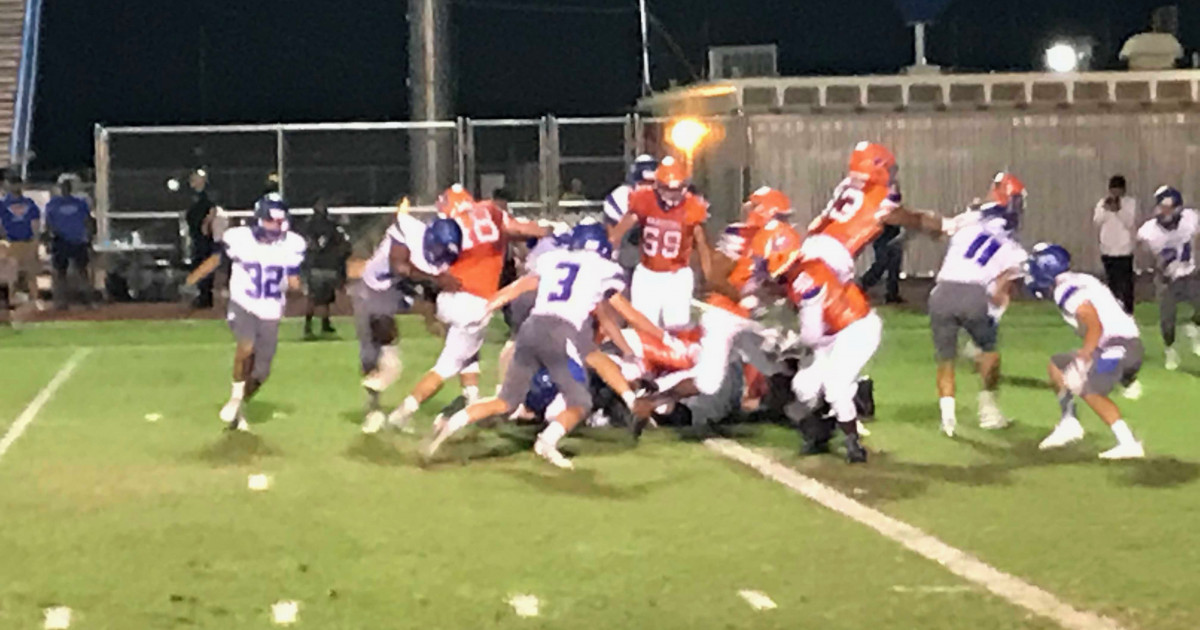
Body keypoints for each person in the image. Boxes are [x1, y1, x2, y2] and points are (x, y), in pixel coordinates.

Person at [421, 221, 649, 469]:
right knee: (581, 401)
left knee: (505, 401)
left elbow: (519, 286)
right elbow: (613, 310)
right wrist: (630, 397)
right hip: (562, 329)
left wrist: (487, 307)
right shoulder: (603, 268)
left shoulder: (553, 259)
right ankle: (546, 442)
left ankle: (446, 429)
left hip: (531, 327)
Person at [388, 185, 548, 431]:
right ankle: (402, 413)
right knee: (446, 366)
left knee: (467, 351)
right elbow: (520, 230)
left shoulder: (450, 224)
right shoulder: (491, 212)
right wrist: (551, 231)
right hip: (474, 303)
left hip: (448, 299)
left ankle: (471, 397)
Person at [757, 220, 877, 463]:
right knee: (804, 387)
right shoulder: (811, 258)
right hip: (831, 334)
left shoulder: (806, 280)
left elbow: (811, 335)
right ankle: (825, 428)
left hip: (855, 329)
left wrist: (787, 345)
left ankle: (853, 443)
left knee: (835, 387)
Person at [184, 193, 307, 431]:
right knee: (246, 346)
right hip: (243, 303)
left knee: (261, 373)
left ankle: (239, 406)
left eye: (280, 221)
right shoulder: (239, 238)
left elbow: (293, 281)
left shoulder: (292, 244)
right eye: (272, 220)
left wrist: (299, 288)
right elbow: (216, 259)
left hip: (271, 310)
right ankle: (234, 397)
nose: (276, 226)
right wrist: (193, 278)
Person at [929, 176, 1028, 437]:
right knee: (990, 352)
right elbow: (1003, 288)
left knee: (945, 360)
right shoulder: (1011, 245)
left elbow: (938, 230)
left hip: (941, 291)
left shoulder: (967, 222)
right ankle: (988, 412)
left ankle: (948, 421)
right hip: (974, 294)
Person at [1026, 243, 1144, 459]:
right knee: (1057, 365)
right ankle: (1069, 422)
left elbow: (1094, 324)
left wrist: (1085, 357)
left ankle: (1128, 443)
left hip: (1119, 345)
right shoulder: (1082, 279)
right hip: (1122, 343)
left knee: (1087, 386)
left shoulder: (1065, 290)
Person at [356, 210, 464, 433]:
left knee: (388, 362)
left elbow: (428, 288)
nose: (441, 258)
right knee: (382, 357)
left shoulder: (439, 260)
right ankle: (374, 409)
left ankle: (385, 408)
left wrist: (431, 316)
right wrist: (435, 279)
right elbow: (399, 265)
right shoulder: (410, 230)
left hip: (399, 289)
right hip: (374, 288)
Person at [804, 142, 947, 284]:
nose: (891, 175)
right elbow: (904, 218)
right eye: (888, 169)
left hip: (811, 246)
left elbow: (814, 225)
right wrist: (941, 225)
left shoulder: (846, 185)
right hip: (835, 257)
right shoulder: (880, 193)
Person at [608, 156, 713, 330]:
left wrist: (707, 277)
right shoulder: (644, 199)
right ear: (657, 185)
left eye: (677, 189)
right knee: (644, 328)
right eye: (668, 189)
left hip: (677, 275)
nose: (673, 194)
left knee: (677, 329)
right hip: (647, 274)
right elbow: (619, 232)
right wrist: (609, 251)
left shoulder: (692, 206)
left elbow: (701, 243)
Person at [1135, 186, 1200, 370]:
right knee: (1167, 318)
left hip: (1189, 273)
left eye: (1169, 207)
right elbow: (1141, 253)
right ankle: (1170, 350)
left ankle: (1194, 329)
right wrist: (1154, 263)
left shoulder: (1190, 218)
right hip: (1166, 279)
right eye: (1162, 206)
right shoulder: (1149, 231)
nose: (1164, 211)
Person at [301, 198, 350, 339]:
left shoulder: (307, 227)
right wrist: (339, 264)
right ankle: (324, 325)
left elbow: (304, 246)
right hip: (329, 266)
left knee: (313, 298)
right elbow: (345, 246)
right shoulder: (332, 227)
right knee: (325, 299)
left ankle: (309, 326)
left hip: (314, 267)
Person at [44, 176, 93, 309]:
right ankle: (60, 302)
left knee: (82, 271)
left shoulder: (80, 203)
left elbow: (87, 221)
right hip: (61, 241)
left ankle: (88, 300)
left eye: (67, 186)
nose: (65, 189)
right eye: (62, 186)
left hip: (78, 240)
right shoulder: (53, 204)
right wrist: (49, 239)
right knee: (60, 272)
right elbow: (49, 223)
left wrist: (89, 237)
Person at [604, 155, 657, 273]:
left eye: (652, 183)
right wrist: (634, 217)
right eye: (643, 183)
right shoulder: (621, 197)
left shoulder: (667, 198)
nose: (649, 188)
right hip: (626, 258)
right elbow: (613, 239)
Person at [1093, 175, 1137, 314]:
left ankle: (1128, 311)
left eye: (1118, 189)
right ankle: (1114, 310)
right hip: (1107, 249)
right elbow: (1097, 221)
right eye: (1113, 189)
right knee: (1112, 281)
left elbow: (1129, 222)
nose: (1115, 192)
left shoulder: (1130, 203)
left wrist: (1118, 210)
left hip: (1124, 249)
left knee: (1126, 282)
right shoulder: (1102, 202)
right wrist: (1106, 209)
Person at [0, 177, 41, 320]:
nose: (15, 186)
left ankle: (34, 301)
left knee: (31, 274)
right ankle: (9, 303)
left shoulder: (29, 203)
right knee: (10, 275)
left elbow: (35, 223)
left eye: (17, 183)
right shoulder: (3, 204)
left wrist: (36, 242)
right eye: (12, 183)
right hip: (10, 243)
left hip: (27, 241)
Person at [185, 169, 218, 309]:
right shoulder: (190, 196)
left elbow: (213, 210)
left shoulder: (207, 195)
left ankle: (206, 296)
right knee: (197, 263)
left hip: (204, 236)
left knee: (204, 263)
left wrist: (206, 224)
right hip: (195, 235)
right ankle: (201, 294)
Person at [859, 225, 905, 304]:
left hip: (894, 237)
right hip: (883, 239)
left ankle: (892, 294)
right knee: (881, 264)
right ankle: (863, 285)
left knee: (894, 268)